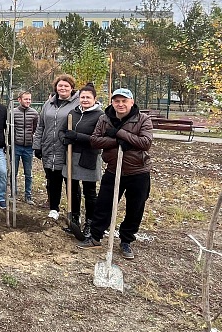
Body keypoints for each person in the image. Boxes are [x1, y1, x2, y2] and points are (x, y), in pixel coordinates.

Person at [77, 88, 153, 260]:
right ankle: (95, 237)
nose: (120, 104)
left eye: (124, 101)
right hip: (113, 169)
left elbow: (145, 142)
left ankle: (126, 240)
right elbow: (95, 141)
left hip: (138, 171)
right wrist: (116, 141)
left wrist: (120, 133)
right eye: (116, 101)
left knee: (135, 208)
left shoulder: (143, 119)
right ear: (112, 102)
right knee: (104, 205)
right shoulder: (105, 119)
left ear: (131, 102)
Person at [32, 74, 79, 220]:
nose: (63, 88)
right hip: (49, 148)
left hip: (67, 149)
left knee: (71, 182)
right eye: (60, 85)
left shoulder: (77, 104)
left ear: (72, 87)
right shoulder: (49, 104)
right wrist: (37, 145)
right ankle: (54, 208)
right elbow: (41, 125)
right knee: (52, 180)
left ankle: (75, 213)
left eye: (66, 85)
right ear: (56, 88)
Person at [59, 84, 104, 236]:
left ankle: (90, 223)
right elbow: (62, 130)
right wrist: (64, 139)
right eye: (82, 97)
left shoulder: (100, 116)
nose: (84, 100)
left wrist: (77, 136)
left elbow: (99, 139)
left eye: (88, 97)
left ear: (94, 99)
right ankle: (75, 221)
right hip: (72, 156)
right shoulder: (73, 113)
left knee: (89, 192)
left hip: (88, 157)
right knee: (72, 190)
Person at [11, 91, 39, 205]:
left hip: (28, 147)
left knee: (28, 173)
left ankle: (28, 195)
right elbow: (10, 130)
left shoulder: (34, 113)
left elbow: (36, 129)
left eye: (29, 99)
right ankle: (13, 193)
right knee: (14, 172)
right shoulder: (13, 112)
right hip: (16, 146)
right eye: (26, 99)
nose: (28, 101)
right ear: (19, 99)